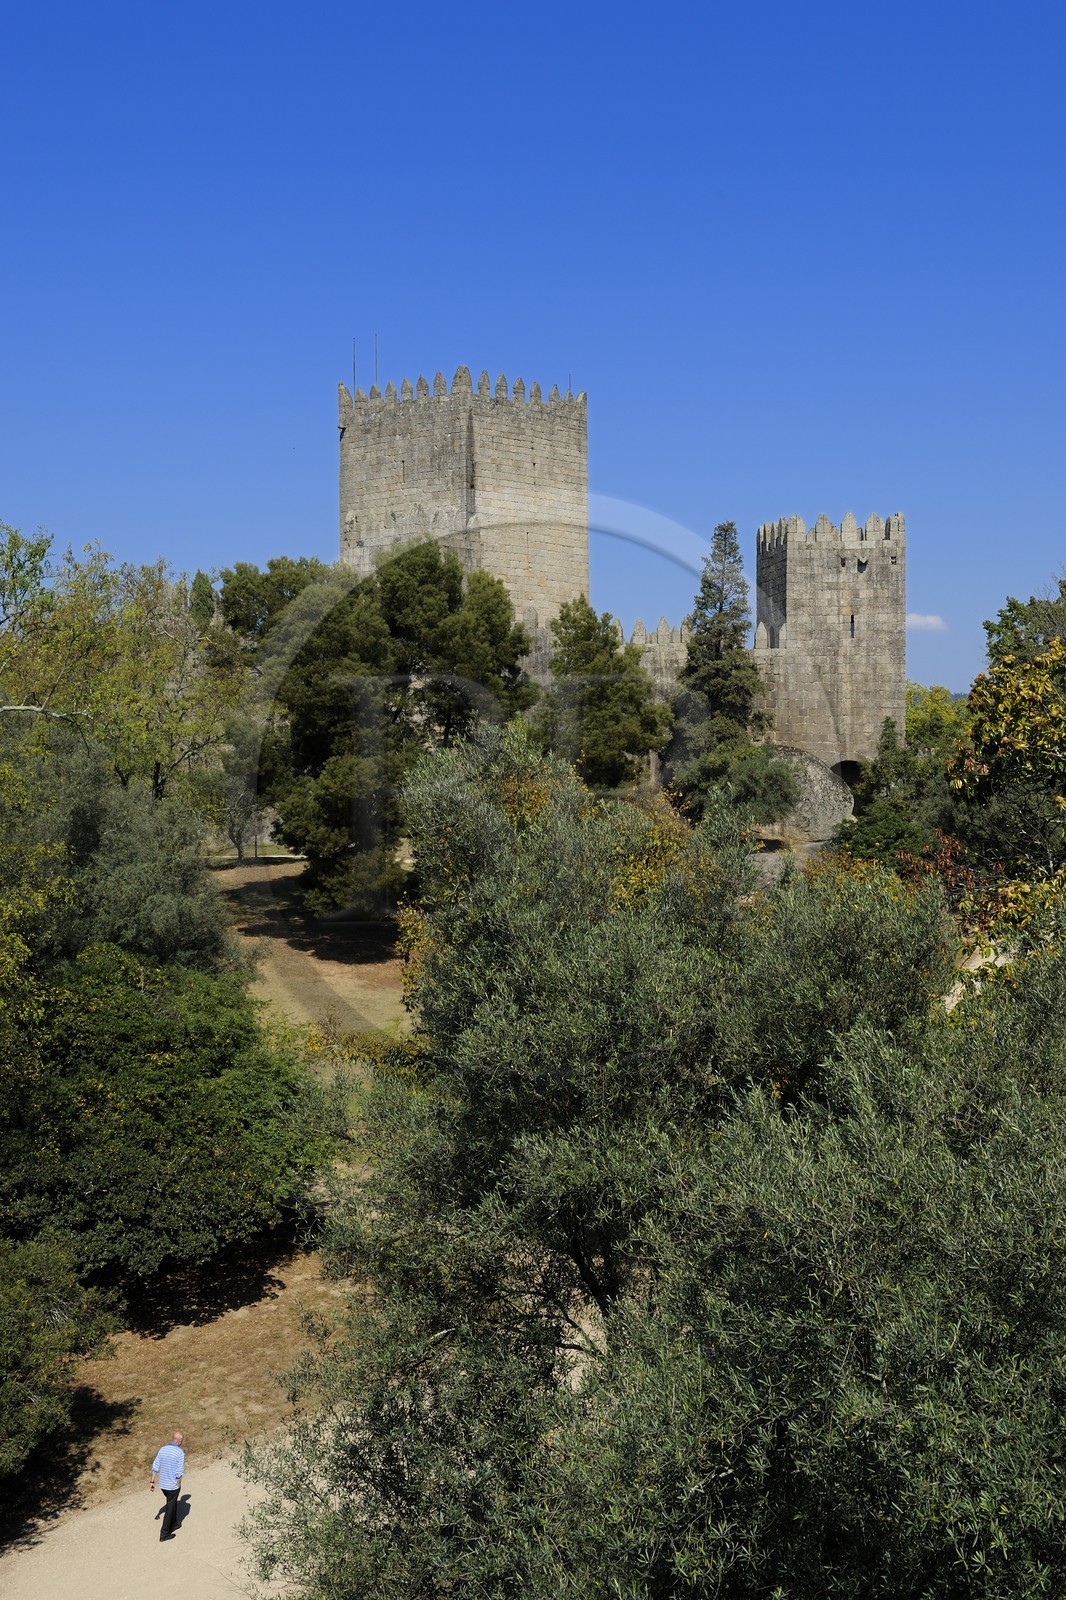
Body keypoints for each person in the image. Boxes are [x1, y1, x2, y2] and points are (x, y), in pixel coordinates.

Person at [149, 1430, 185, 1541]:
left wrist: (152, 1481)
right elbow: (179, 1471)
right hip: (172, 1486)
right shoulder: (179, 1453)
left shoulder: (162, 1450)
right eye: (182, 1440)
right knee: (170, 1507)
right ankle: (164, 1533)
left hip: (163, 1485)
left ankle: (174, 1524)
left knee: (172, 1503)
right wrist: (178, 1484)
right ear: (179, 1441)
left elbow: (156, 1465)